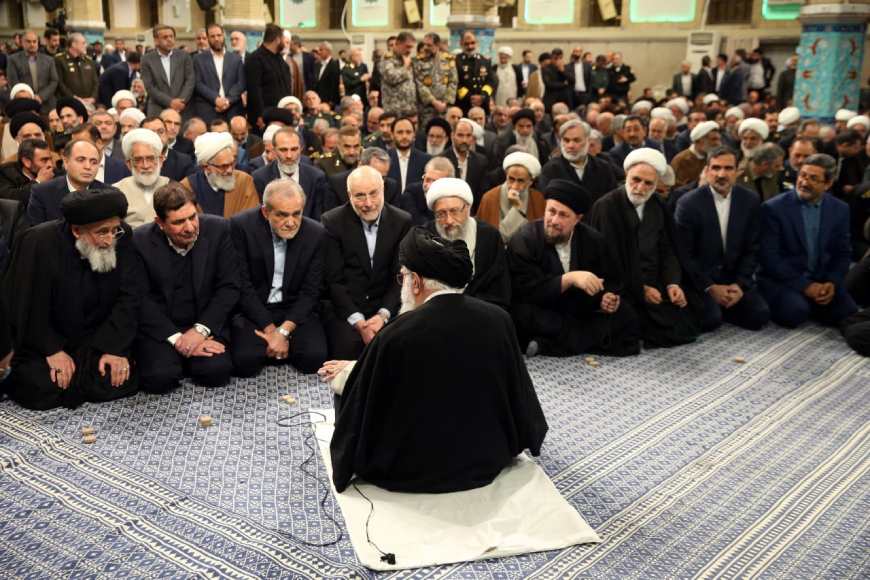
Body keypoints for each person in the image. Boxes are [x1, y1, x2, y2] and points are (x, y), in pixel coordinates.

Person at [325, 226, 547, 493]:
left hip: (409, 469)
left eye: (403, 277)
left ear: (417, 282)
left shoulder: (396, 334)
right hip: (483, 458)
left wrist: (349, 374)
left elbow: (369, 397)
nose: (403, 285)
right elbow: (518, 395)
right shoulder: (499, 319)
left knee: (343, 388)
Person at [2, 188, 139, 410]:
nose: (109, 240)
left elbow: (129, 295)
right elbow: (25, 304)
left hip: (96, 337)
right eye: (102, 232)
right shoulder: (37, 242)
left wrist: (114, 348)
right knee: (39, 387)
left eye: (115, 230)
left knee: (117, 378)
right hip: (47, 337)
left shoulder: (122, 237)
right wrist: (51, 349)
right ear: (76, 230)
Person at [508, 179, 641, 357]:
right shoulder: (525, 239)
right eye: (551, 211)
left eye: (563, 215)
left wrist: (607, 297)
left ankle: (548, 344)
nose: (554, 220)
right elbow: (527, 290)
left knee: (626, 315)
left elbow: (610, 279)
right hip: (542, 307)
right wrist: (569, 279)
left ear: (577, 219)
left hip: (578, 308)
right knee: (523, 316)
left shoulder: (593, 240)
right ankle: (571, 341)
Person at [588, 148, 701, 347]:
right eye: (636, 180)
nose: (640, 187)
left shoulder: (657, 204)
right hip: (621, 285)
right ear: (626, 176)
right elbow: (609, 260)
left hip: (654, 281)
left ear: (656, 184)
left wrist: (672, 283)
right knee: (627, 328)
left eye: (648, 183)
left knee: (695, 316)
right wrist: (641, 288)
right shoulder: (607, 207)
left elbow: (667, 249)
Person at [134, 182, 240, 392]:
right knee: (159, 378)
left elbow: (229, 287)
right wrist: (179, 340)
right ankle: (179, 358)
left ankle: (186, 359)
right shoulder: (139, 241)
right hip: (164, 328)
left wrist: (200, 331)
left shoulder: (219, 229)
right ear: (160, 223)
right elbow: (141, 299)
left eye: (192, 217)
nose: (190, 227)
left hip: (204, 323)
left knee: (216, 372)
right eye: (178, 222)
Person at [230, 179, 328, 376]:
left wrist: (283, 331)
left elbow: (311, 291)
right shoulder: (241, 226)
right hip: (255, 308)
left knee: (314, 358)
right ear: (265, 212)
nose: (291, 222)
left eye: (296, 214)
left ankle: (280, 346)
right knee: (245, 361)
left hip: (293, 309)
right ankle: (279, 346)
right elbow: (243, 285)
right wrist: (271, 331)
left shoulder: (316, 233)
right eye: (282, 215)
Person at [320, 166, 412, 359]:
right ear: (349, 195)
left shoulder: (402, 221)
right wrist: (359, 322)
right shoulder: (332, 221)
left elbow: (400, 276)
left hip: (386, 305)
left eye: (373, 194)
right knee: (347, 353)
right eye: (360, 196)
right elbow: (334, 281)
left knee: (396, 352)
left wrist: (383, 315)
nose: (368, 203)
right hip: (346, 307)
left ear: (383, 190)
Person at [675, 146, 770, 332]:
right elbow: (684, 255)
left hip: (733, 278)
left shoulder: (750, 200)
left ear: (737, 171)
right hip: (701, 279)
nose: (721, 174)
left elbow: (753, 248)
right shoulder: (688, 204)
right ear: (707, 170)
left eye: (728, 168)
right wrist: (710, 287)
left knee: (759, 316)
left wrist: (739, 285)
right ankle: (715, 307)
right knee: (710, 321)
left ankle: (724, 303)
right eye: (716, 168)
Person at [757, 154, 857, 329]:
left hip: (821, 277)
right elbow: (769, 258)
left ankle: (815, 301)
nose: (804, 182)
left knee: (849, 312)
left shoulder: (840, 209)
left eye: (813, 178)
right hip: (784, 279)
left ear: (828, 184)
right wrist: (806, 286)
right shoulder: (773, 208)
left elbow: (842, 252)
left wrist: (831, 282)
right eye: (802, 175)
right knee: (795, 313)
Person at [425, 178, 511, 309]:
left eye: (454, 211)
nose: (449, 221)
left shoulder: (489, 236)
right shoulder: (424, 237)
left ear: (468, 208)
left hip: (481, 312)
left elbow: (499, 288)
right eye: (441, 214)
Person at [251, 127, 331, 219]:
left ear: (301, 149)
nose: (289, 156)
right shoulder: (260, 178)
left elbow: (319, 217)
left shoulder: (316, 177)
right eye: (283, 150)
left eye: (294, 149)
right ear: (274, 150)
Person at [180, 132, 258, 219]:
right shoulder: (186, 187)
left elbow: (251, 219)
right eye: (224, 166)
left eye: (232, 164)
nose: (230, 170)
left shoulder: (244, 181)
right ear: (206, 167)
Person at [539, 119, 618, 202]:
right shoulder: (551, 169)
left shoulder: (603, 167)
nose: (570, 145)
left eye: (576, 140)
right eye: (566, 140)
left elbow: (612, 200)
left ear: (588, 141)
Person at [27, 139, 103, 226]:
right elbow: (36, 232)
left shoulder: (108, 194)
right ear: (66, 162)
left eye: (94, 162)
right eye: (81, 160)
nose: (88, 167)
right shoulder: (42, 193)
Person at [477, 151, 545, 242]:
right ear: (506, 176)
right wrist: (517, 210)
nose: (514, 186)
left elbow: (538, 236)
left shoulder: (537, 199)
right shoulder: (489, 198)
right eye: (511, 179)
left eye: (520, 181)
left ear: (530, 182)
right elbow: (492, 238)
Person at [115, 128, 170, 228]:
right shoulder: (116, 191)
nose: (145, 165)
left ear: (161, 160)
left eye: (150, 158)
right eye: (138, 160)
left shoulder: (172, 187)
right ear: (129, 164)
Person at [192, 24, 246, 123]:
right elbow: (198, 84)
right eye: (212, 36)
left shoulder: (236, 59)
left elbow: (240, 83)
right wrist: (215, 99)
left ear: (223, 36)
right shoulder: (198, 59)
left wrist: (227, 100)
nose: (216, 39)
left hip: (233, 109)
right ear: (208, 38)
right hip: (208, 109)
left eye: (219, 35)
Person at [140, 25, 195, 118]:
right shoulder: (146, 59)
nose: (169, 39)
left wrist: (181, 101)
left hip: (182, 107)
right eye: (165, 37)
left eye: (171, 36)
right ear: (156, 40)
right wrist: (170, 102)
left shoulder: (184, 56)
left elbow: (190, 81)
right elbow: (150, 86)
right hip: (158, 108)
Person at [6, 30, 59, 114]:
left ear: (38, 42)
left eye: (34, 41)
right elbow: (13, 82)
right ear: (22, 42)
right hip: (24, 105)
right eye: (28, 41)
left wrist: (41, 96)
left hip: (47, 104)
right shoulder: (13, 60)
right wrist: (28, 96)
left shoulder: (49, 60)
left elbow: (54, 80)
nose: (32, 44)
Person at [441, 118, 488, 210]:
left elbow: (482, 193)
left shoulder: (481, 161)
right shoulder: (442, 160)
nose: (464, 140)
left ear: (472, 138)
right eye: (460, 135)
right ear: (452, 136)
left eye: (468, 135)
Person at [412, 32, 457, 127]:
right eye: (424, 44)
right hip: (427, 108)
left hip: (445, 107)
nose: (425, 47)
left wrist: (445, 102)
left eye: (429, 45)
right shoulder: (417, 61)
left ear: (437, 45)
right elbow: (419, 84)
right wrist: (434, 102)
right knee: (427, 131)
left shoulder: (448, 59)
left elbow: (453, 81)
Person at [399, 156, 454, 225]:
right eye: (427, 180)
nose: (429, 186)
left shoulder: (454, 197)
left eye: (435, 182)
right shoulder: (411, 193)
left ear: (448, 184)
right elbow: (417, 223)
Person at [0, 138, 54, 208]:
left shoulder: (55, 172)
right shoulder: (5, 173)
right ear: (27, 162)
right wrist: (38, 182)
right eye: (44, 160)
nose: (50, 164)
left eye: (50, 159)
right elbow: (11, 201)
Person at [140, 115, 196, 183]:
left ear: (167, 134)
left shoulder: (184, 162)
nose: (157, 136)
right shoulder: (133, 161)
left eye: (161, 132)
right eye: (151, 133)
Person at [455, 31, 497, 114]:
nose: (470, 46)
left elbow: (491, 81)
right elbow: (455, 82)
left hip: (482, 104)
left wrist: (483, 96)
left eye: (472, 43)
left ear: (477, 43)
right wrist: (470, 97)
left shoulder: (485, 61)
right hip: (464, 104)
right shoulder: (456, 61)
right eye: (466, 44)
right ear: (461, 44)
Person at [671, 120, 721, 187]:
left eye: (718, 139)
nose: (718, 143)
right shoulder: (681, 160)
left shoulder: (713, 158)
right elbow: (678, 188)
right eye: (713, 139)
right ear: (699, 141)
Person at [387, 117, 430, 192]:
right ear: (392, 135)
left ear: (414, 135)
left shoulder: (426, 160)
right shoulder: (384, 159)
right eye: (400, 132)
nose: (404, 136)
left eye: (408, 132)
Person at [55, 32, 99, 105]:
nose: (86, 45)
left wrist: (93, 97)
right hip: (68, 102)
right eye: (83, 43)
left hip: (89, 103)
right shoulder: (60, 60)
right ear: (74, 44)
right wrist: (73, 97)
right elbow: (60, 83)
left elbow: (96, 82)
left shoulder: (88, 61)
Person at [313, 41, 342, 107]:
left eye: (321, 50)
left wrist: (332, 101)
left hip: (329, 101)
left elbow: (334, 85)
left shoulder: (335, 65)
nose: (319, 52)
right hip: (318, 99)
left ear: (328, 51)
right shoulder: (317, 64)